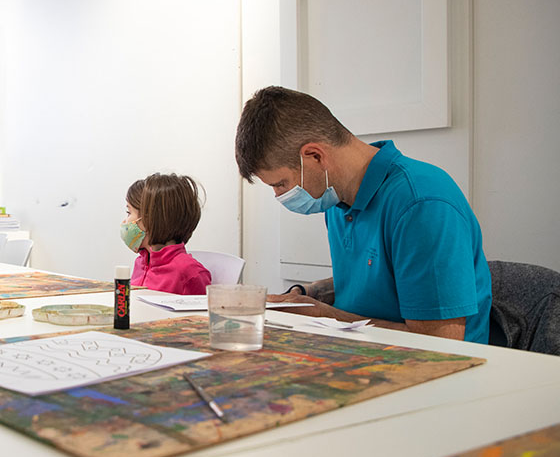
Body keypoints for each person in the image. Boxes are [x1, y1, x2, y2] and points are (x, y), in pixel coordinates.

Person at [234, 86, 491, 343]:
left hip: (434, 362)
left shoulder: (422, 204)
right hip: (357, 350)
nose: (279, 195)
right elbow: (377, 281)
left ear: (314, 156)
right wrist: (306, 294)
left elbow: (439, 342)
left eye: (280, 184)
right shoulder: (336, 200)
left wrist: (325, 316)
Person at [121, 173, 211, 295]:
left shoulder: (190, 273)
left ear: (150, 219)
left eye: (129, 212)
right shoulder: (141, 262)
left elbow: (204, 308)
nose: (125, 222)